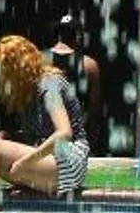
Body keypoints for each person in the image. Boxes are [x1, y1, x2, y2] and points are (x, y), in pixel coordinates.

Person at [0, 34, 87, 211]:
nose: (0, 75)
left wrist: (27, 161)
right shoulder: (29, 90)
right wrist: (6, 136)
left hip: (69, 162)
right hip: (52, 160)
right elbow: (40, 133)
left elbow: (64, 133)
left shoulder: (49, 83)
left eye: (3, 68)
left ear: (17, 66)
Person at [45, 14, 105, 154]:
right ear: (78, 35)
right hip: (76, 140)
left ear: (58, 34)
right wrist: (92, 144)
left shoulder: (41, 60)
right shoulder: (89, 65)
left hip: (46, 138)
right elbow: (94, 109)